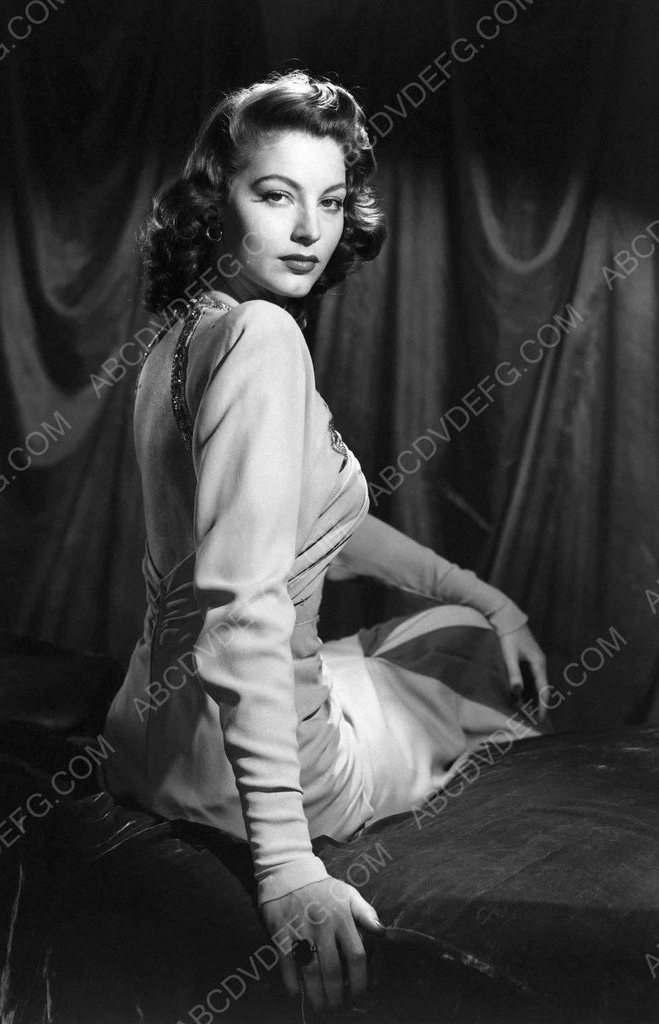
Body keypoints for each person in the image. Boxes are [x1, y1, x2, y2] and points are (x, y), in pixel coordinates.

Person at [102, 69, 550, 1016]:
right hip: (263, 785)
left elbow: (314, 534)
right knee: (463, 663)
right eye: (275, 194)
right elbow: (242, 607)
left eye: (332, 201)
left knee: (425, 635)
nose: (310, 228)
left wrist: (476, 589)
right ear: (216, 200)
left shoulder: (178, 338)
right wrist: (288, 866)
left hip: (144, 737)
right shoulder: (265, 337)